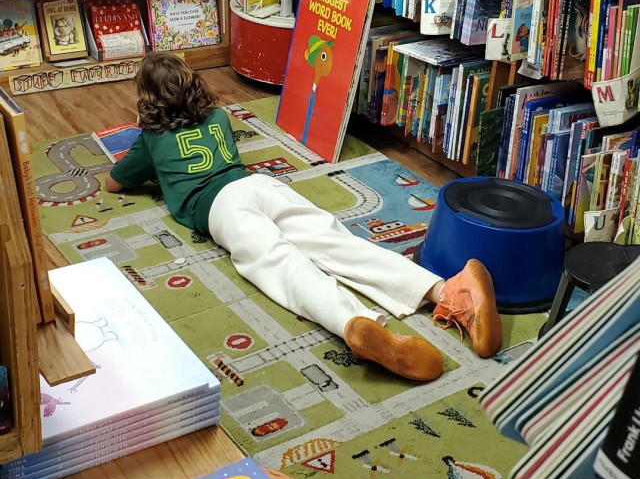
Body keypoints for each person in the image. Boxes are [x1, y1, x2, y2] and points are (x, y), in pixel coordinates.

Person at [105, 54, 503, 382]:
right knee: (334, 241)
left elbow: (114, 184)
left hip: (219, 207)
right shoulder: (219, 119)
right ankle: (448, 291)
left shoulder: (151, 140)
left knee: (278, 262)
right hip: (259, 186)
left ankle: (355, 322)